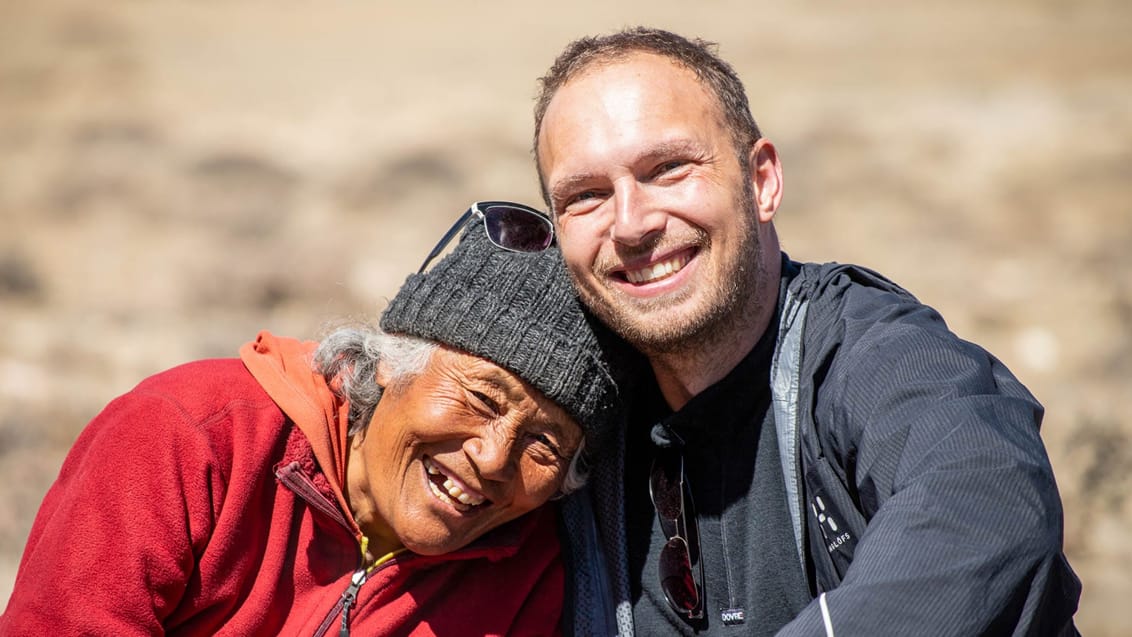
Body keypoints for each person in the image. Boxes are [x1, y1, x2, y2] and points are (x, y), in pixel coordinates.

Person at [535, 27, 1082, 636]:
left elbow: (988, 504)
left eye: (668, 169)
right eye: (585, 196)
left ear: (762, 181)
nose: (631, 224)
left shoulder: (872, 356)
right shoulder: (566, 416)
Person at [0, 201, 625, 636]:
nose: (492, 458)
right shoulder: (189, 437)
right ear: (390, 363)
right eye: (481, 400)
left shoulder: (530, 571)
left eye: (544, 444)